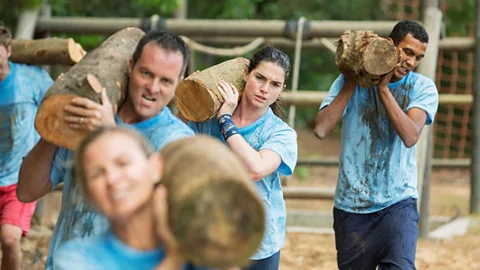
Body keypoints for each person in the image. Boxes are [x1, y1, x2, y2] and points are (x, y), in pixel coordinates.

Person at [17, 30, 194, 269]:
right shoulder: (87, 115)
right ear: (131, 66)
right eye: (146, 73)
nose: (153, 88)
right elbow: (26, 191)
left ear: (179, 83)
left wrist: (109, 133)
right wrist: (56, 119)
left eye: (166, 81)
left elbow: (168, 221)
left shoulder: (177, 141)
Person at [313, 20, 439, 270]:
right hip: (351, 208)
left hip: (398, 204)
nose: (412, 62)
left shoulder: (422, 87)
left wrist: (383, 89)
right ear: (390, 46)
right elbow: (320, 129)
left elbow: (411, 136)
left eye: (418, 57)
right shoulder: (348, 82)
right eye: (408, 52)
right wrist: (353, 80)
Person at [188, 47, 298, 270]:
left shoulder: (281, 133)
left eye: (275, 84)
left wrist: (226, 121)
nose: (265, 89)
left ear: (282, 89)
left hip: (258, 242)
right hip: (209, 234)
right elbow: (183, 152)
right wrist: (190, 99)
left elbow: (255, 169)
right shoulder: (208, 119)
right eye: (260, 78)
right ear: (246, 74)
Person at [53, 126, 190, 270]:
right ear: (88, 193)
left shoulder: (200, 247)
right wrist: (175, 258)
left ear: (156, 166)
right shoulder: (75, 259)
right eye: (97, 174)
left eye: (123, 163)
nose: (112, 179)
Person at [0, 23, 54, 270]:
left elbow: (56, 106)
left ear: (8, 51)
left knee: (9, 240)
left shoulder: (31, 79)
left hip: (19, 178)